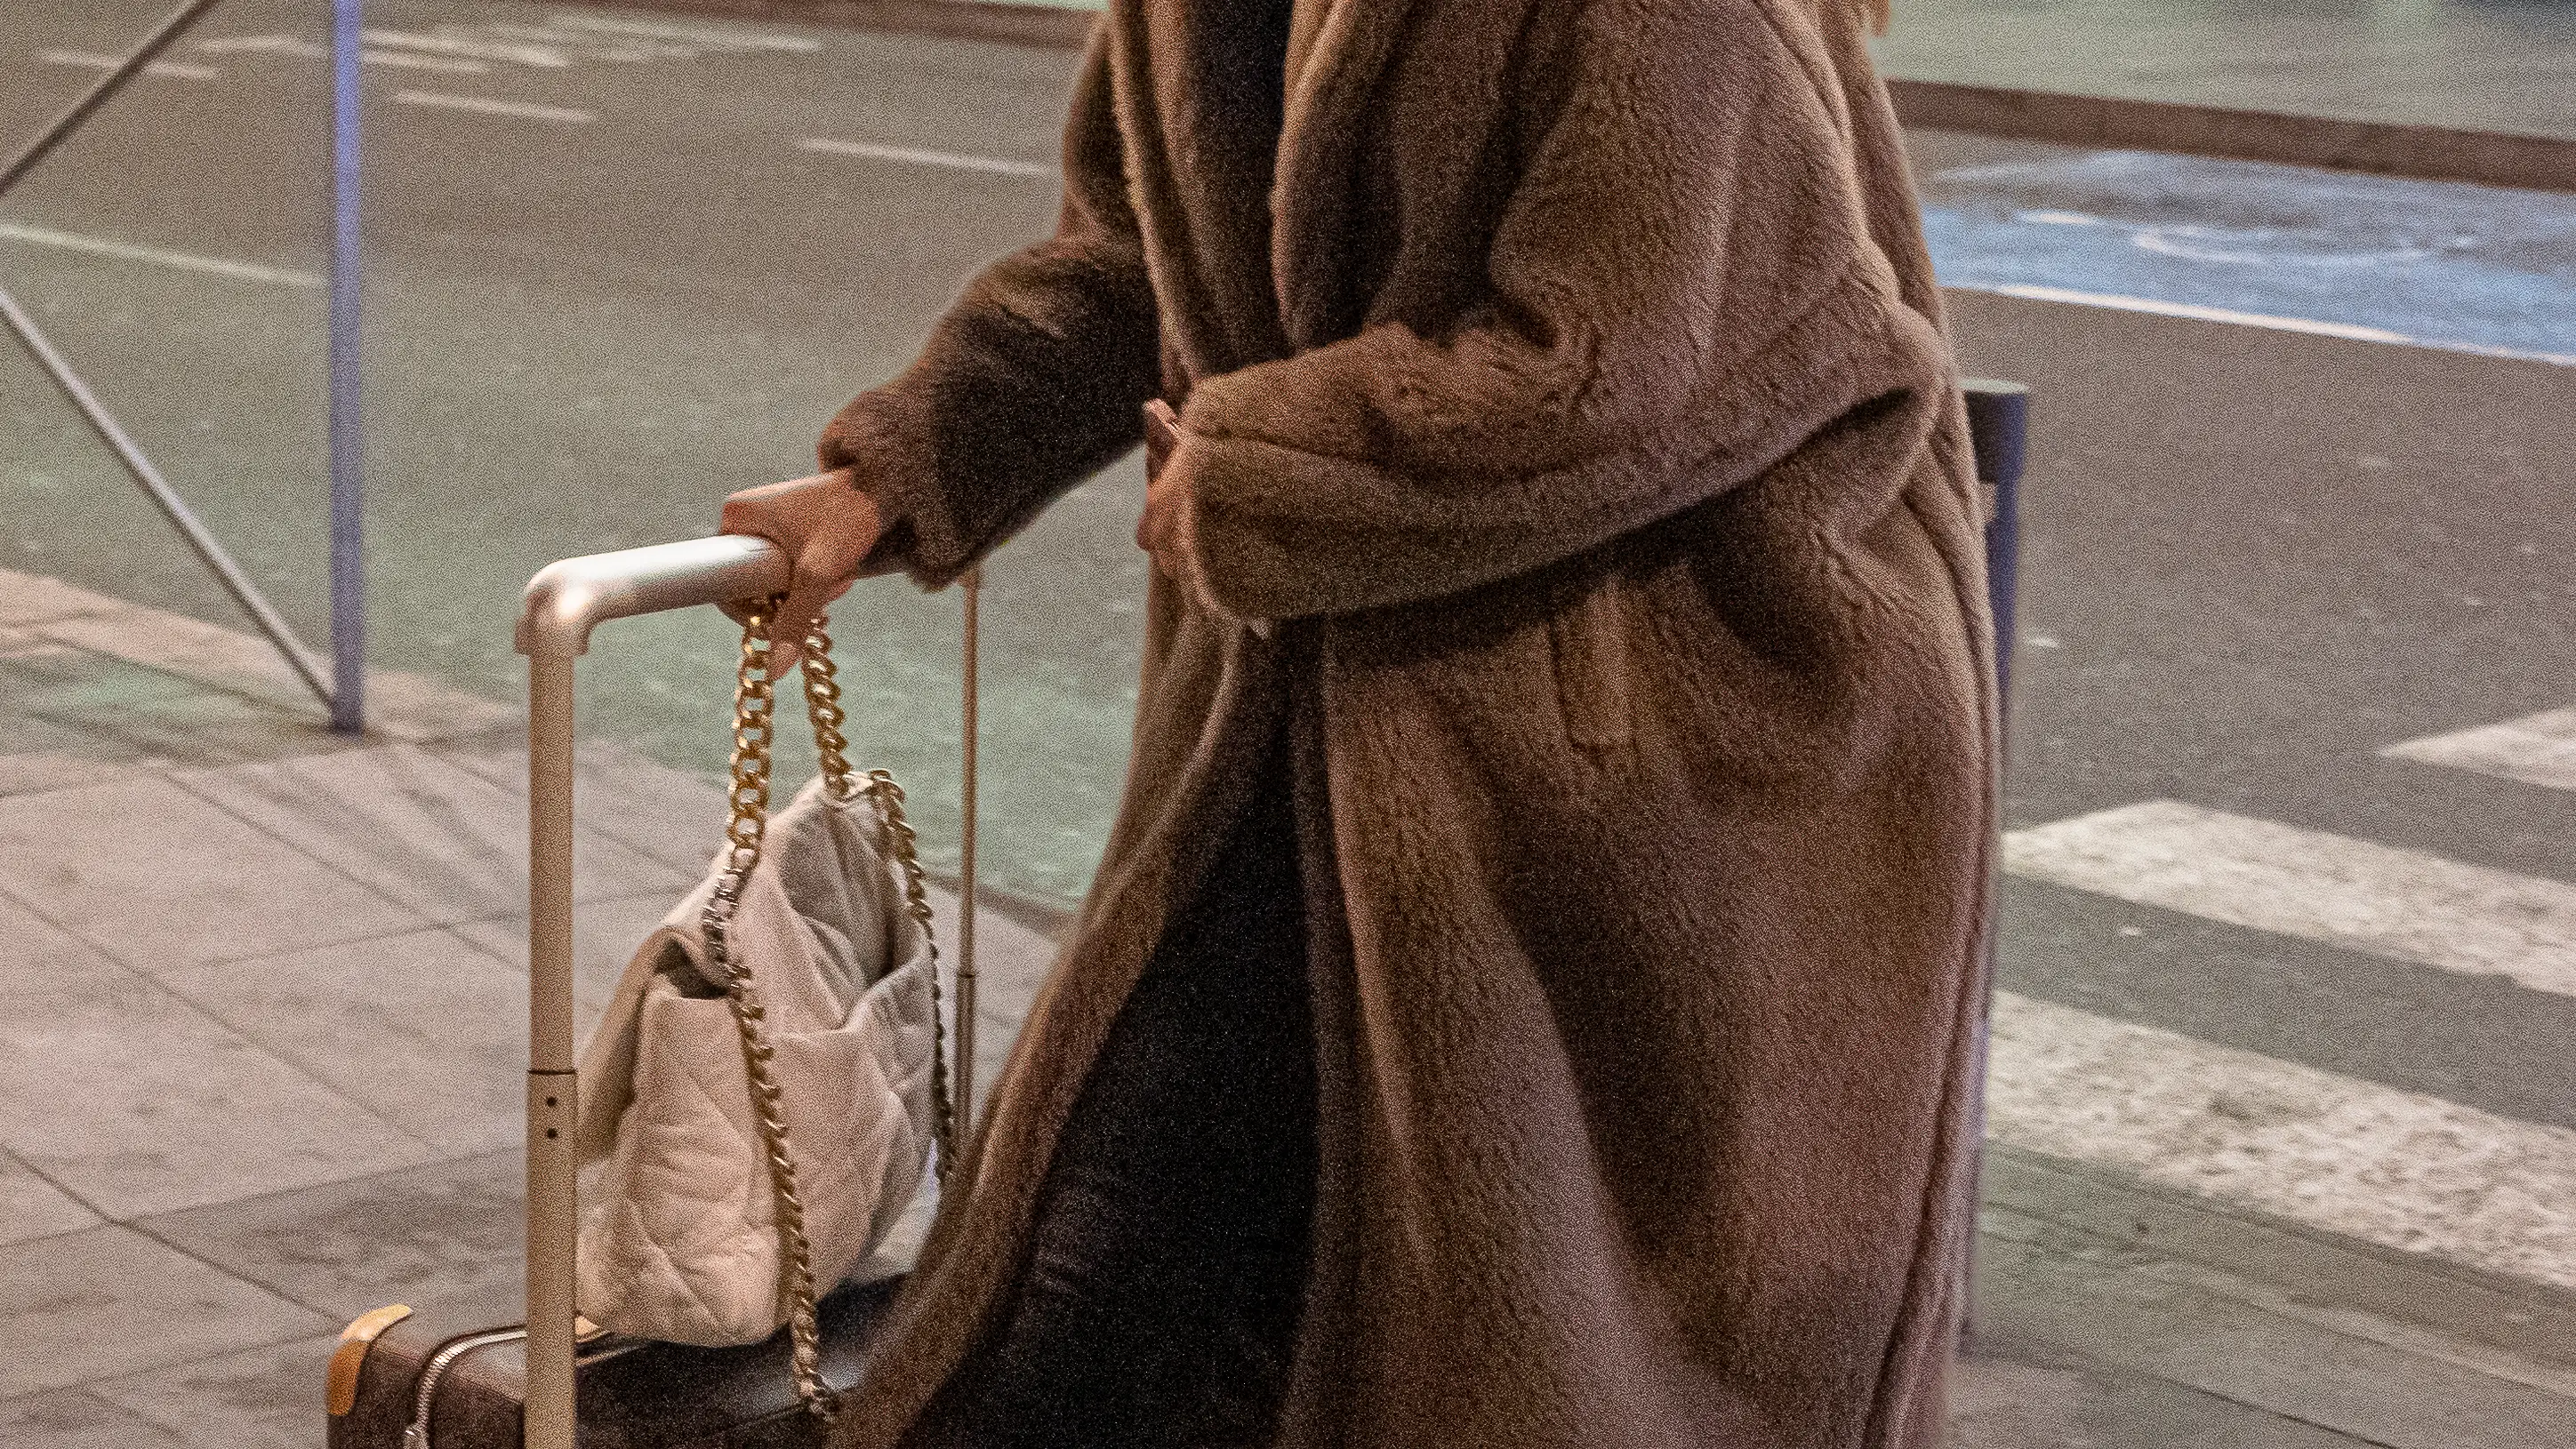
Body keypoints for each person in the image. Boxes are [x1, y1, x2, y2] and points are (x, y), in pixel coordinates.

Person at [719, 0, 1997, 1445]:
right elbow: (1142, 268)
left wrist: (1262, 468)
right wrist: (897, 470)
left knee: (1506, 1344)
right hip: (1325, 722)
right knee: (1122, 1287)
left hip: (1639, 737)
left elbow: (1616, 356)